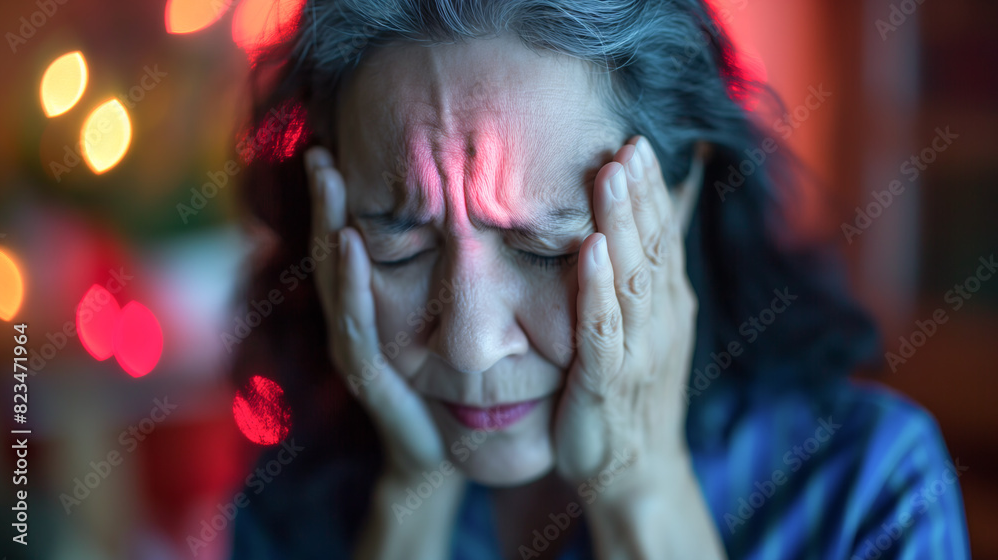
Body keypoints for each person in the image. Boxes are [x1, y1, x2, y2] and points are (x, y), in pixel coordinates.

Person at [228, 1, 971, 558]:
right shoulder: (287, 504)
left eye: (546, 249)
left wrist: (639, 487)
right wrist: (409, 506)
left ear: (676, 204)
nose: (469, 344)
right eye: (399, 247)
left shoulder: (867, 488)